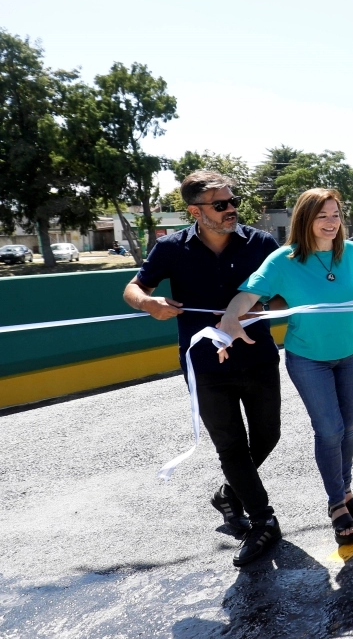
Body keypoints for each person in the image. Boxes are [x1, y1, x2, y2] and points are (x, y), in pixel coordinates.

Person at [124, 170, 283, 567]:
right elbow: (133, 287)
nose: (231, 209)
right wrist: (150, 304)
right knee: (229, 443)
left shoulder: (261, 243)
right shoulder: (172, 248)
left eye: (233, 202)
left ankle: (229, 495)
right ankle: (263, 519)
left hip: (258, 356)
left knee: (267, 434)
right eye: (220, 204)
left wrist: (263, 307)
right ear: (195, 210)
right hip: (204, 366)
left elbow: (286, 297)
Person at [218, 188, 353, 546]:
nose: (332, 223)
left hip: (352, 352)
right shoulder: (283, 260)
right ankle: (337, 504)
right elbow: (248, 295)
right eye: (323, 216)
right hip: (308, 358)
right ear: (305, 220)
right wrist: (230, 316)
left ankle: (347, 491)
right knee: (330, 429)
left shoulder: (351, 253)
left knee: (348, 427)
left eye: (336, 215)